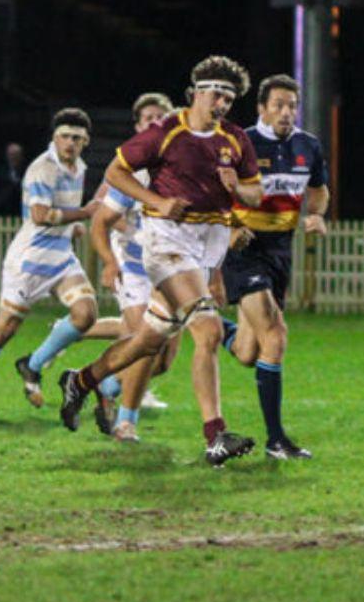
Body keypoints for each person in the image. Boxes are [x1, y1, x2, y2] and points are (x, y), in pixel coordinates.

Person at [56, 56, 266, 466]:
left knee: (148, 342)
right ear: (197, 92)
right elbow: (117, 172)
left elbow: (255, 196)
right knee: (206, 332)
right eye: (216, 93)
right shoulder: (167, 131)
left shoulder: (236, 139)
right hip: (166, 246)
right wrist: (157, 202)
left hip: (206, 251)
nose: (222, 103)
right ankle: (215, 436)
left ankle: (81, 381)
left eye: (229, 97)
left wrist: (237, 188)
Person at [0, 108, 99, 419]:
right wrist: (84, 214)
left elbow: (60, 214)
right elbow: (41, 215)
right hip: (29, 262)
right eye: (64, 136)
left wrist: (72, 225)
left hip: (60, 257)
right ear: (54, 137)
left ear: (86, 140)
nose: (70, 143)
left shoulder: (79, 168)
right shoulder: (42, 169)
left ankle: (32, 365)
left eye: (76, 137)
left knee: (86, 314)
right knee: (5, 328)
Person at [219, 74, 327, 460]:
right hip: (244, 251)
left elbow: (318, 189)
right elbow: (216, 189)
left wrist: (315, 214)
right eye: (279, 104)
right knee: (277, 334)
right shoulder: (240, 142)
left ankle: (209, 325)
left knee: (249, 351)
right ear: (262, 108)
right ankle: (276, 439)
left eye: (292, 105)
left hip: (281, 251)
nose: (286, 112)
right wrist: (231, 226)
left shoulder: (308, 145)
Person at [76, 91, 181, 437]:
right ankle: (126, 422)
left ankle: (100, 385)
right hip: (134, 266)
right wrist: (111, 258)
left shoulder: (184, 163)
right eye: (148, 117)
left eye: (160, 116)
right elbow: (101, 214)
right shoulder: (129, 167)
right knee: (143, 342)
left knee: (163, 361)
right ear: (137, 125)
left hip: (172, 272)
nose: (155, 122)